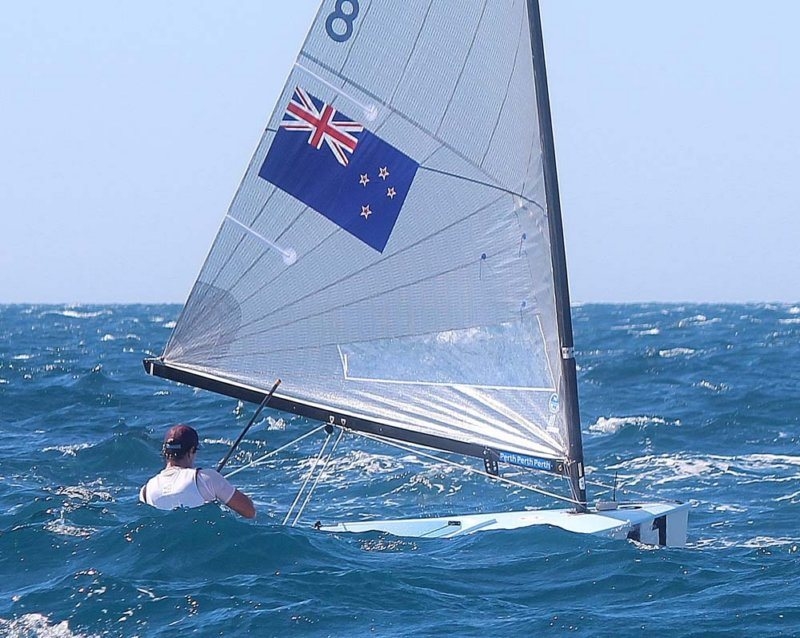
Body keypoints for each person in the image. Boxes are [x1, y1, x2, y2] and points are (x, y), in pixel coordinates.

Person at [140, 424, 255, 519]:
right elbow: (250, 512)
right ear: (191, 451)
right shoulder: (207, 478)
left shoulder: (146, 490)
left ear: (165, 452)